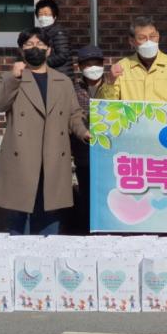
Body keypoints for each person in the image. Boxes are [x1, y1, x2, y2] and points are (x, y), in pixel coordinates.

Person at [0, 27, 90, 235]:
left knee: (50, 217)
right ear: (21, 50)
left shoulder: (63, 81)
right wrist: (14, 78)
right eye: (29, 45)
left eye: (40, 44)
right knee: (19, 217)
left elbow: (74, 114)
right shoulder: (12, 78)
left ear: (49, 50)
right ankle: (17, 253)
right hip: (22, 157)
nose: (35, 48)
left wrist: (83, 132)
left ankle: (46, 253)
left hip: (54, 156)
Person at [97, 16, 167, 101]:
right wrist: (110, 82)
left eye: (152, 36)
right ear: (132, 41)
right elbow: (106, 105)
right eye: (142, 38)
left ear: (158, 36)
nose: (149, 42)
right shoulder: (122, 67)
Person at [70, 44, 105, 234]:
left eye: (96, 63)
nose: (93, 68)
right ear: (80, 67)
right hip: (84, 152)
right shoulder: (73, 89)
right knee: (87, 193)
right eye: (87, 64)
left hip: (110, 153)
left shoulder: (113, 85)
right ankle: (86, 231)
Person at [34, 0, 73, 79]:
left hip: (61, 76)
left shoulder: (59, 32)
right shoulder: (44, 32)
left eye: (46, 14)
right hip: (53, 75)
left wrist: (42, 62)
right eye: (40, 14)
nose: (43, 17)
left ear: (54, 16)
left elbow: (62, 56)